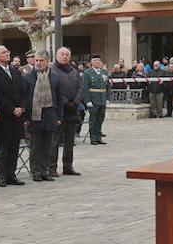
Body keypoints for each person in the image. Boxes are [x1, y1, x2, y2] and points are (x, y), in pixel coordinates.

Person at [22, 51, 65, 182]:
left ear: (47, 61)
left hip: (50, 114)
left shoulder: (55, 77)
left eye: (41, 60)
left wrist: (59, 117)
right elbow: (25, 98)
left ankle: (45, 170)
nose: (38, 63)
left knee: (48, 145)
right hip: (34, 116)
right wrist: (26, 117)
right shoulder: (28, 77)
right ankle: (35, 171)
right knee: (35, 146)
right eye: (36, 60)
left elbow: (59, 98)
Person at [0, 45, 26, 186]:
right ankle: (2, 176)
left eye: (8, 51)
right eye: (4, 52)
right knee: (3, 147)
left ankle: (11, 174)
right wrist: (11, 109)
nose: (7, 54)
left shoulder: (16, 72)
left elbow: (22, 91)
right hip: (4, 116)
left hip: (17, 116)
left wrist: (21, 107)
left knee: (15, 146)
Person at [49, 47, 82, 177]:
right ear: (57, 56)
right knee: (55, 141)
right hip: (59, 112)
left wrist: (75, 102)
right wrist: (65, 103)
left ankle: (68, 166)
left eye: (67, 55)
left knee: (69, 141)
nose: (64, 57)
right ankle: (52, 167)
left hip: (73, 111)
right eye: (62, 54)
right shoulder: (52, 71)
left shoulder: (74, 71)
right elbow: (54, 91)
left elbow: (80, 88)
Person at [82, 55, 109, 145]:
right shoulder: (87, 73)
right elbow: (85, 87)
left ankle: (98, 137)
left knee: (100, 118)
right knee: (93, 119)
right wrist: (87, 100)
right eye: (95, 60)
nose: (97, 62)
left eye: (99, 60)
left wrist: (107, 98)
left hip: (102, 99)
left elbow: (107, 86)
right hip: (93, 99)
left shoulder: (104, 72)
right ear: (91, 62)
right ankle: (93, 138)